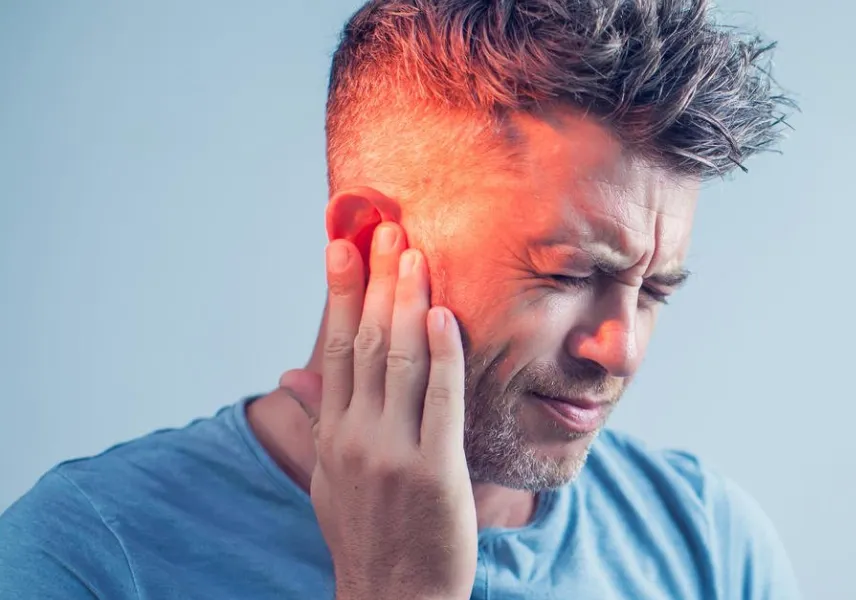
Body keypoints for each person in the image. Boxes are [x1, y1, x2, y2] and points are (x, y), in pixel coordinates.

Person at [0, 0, 800, 597]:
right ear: (368, 240)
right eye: (565, 275)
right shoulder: (91, 559)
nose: (620, 349)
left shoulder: (709, 546)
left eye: (654, 289)